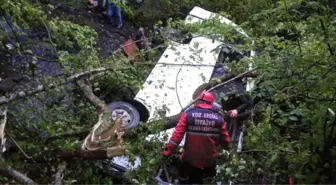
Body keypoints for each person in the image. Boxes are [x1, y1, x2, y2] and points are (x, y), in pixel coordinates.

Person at [163, 91, 232, 185]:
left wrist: (167, 152)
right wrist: (229, 151)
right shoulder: (219, 119)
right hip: (209, 159)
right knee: (205, 179)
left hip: (189, 157)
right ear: (211, 104)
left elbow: (176, 136)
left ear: (198, 101)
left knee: (182, 176)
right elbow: (225, 139)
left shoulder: (188, 115)